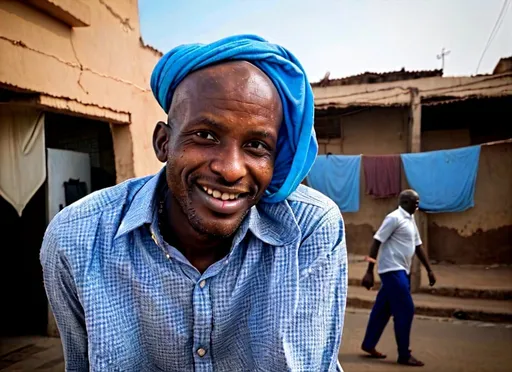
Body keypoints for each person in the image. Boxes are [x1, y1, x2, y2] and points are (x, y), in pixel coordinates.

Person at [40, 35, 348, 371]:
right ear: (163, 142)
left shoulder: (309, 228)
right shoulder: (76, 239)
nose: (230, 170)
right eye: (205, 135)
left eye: (257, 145)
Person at [360, 189, 436, 367]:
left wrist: (429, 270)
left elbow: (418, 246)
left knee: (382, 309)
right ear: (405, 202)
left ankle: (368, 344)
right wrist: (369, 271)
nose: (418, 205)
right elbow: (377, 240)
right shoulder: (394, 218)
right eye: (415, 202)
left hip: (402, 270)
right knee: (405, 309)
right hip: (392, 270)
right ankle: (404, 354)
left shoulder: (410, 219)